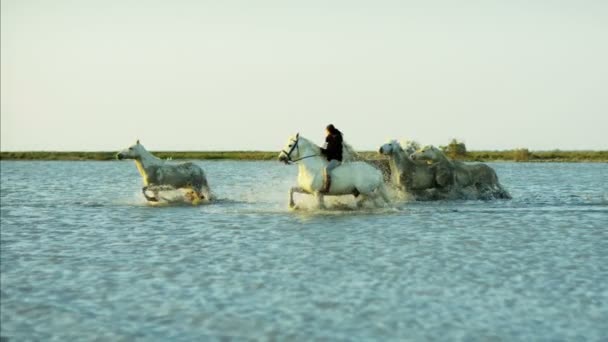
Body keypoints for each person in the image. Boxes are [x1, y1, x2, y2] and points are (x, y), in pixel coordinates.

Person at [319, 124, 343, 193]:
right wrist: (321, 149)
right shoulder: (328, 137)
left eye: (327, 131)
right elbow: (324, 146)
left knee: (327, 169)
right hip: (330, 158)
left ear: (330, 130)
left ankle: (327, 187)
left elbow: (331, 150)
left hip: (336, 159)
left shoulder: (337, 138)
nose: (326, 132)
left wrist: (324, 151)